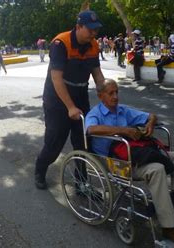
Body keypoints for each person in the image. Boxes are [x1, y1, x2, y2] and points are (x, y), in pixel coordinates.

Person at [85, 79, 174, 245]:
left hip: (136, 155)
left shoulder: (123, 111)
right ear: (101, 96)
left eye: (117, 92)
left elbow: (151, 116)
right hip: (116, 163)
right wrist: (123, 130)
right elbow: (91, 129)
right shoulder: (95, 114)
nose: (115, 96)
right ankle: (170, 227)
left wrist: (150, 123)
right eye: (111, 93)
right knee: (156, 169)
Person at [34, 10, 106, 190]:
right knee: (55, 142)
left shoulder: (93, 45)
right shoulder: (61, 43)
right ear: (78, 27)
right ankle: (40, 169)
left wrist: (106, 94)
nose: (93, 33)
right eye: (90, 30)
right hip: (57, 98)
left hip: (80, 94)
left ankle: (81, 183)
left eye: (96, 30)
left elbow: (97, 74)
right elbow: (56, 79)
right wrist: (70, 107)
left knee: (82, 142)